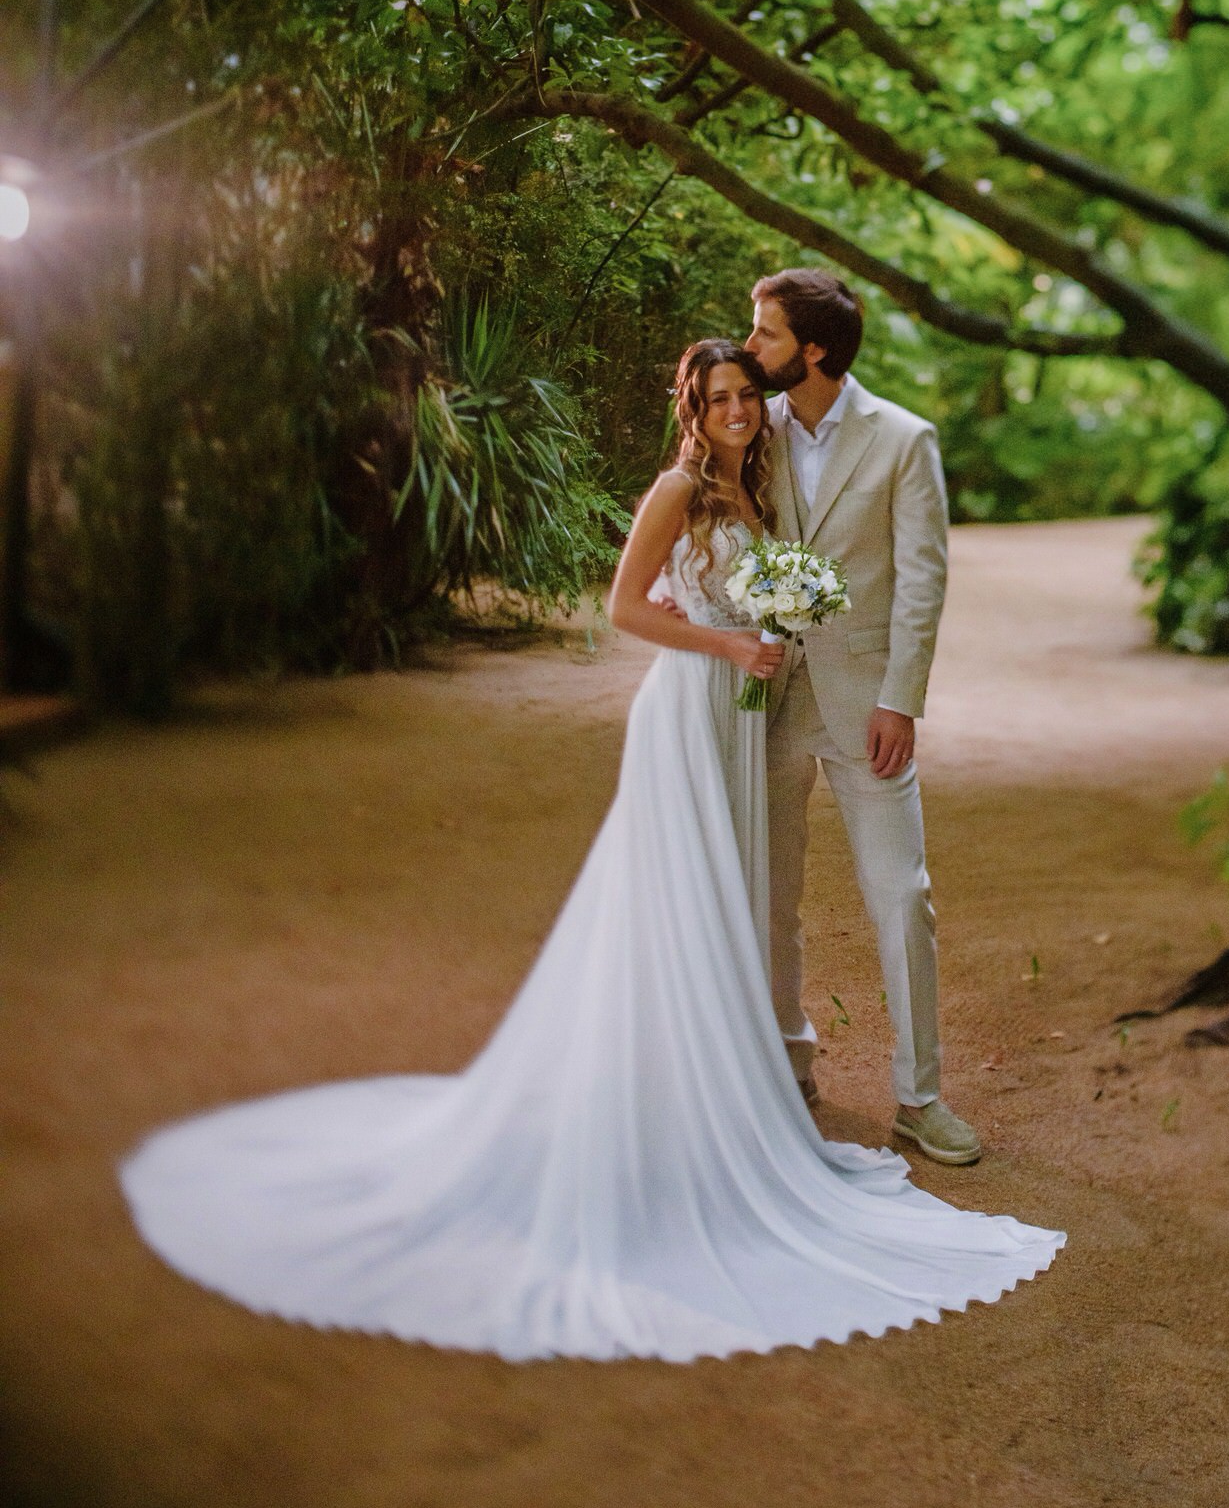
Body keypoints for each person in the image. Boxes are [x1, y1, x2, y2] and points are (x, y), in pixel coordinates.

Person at [117, 339, 1061, 1361]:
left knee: (734, 907)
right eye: (720, 398)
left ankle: (727, 1094)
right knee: (681, 901)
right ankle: (668, 1116)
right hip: (690, 716)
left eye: (749, 394)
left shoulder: (759, 486)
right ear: (691, 408)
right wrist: (736, 643)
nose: (740, 410)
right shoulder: (677, 486)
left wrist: (780, 631)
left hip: (748, 720)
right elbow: (623, 610)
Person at [745, 269, 979, 1168]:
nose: (751, 346)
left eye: (766, 334)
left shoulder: (904, 440)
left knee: (902, 899)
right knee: (771, 899)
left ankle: (920, 1098)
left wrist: (901, 700)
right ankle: (788, 1064)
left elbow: (923, 578)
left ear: (814, 350)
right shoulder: (747, 425)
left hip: (866, 708)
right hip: (764, 697)